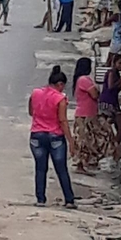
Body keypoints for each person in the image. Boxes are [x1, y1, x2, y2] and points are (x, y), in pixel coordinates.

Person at [28, 65, 76, 207]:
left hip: (36, 135)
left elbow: (31, 112)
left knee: (40, 168)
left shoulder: (35, 93)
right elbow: (62, 120)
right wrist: (71, 141)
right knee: (61, 169)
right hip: (55, 136)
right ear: (60, 84)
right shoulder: (60, 98)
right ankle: (69, 200)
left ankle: (41, 199)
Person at [71, 57, 113, 171]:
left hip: (89, 114)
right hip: (85, 115)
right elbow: (94, 94)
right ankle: (83, 163)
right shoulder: (84, 80)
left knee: (91, 139)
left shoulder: (81, 79)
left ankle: (90, 161)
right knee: (86, 140)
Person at [99, 53, 121, 154]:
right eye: (119, 63)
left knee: (118, 125)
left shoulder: (116, 73)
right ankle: (113, 147)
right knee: (118, 125)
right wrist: (120, 82)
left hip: (113, 102)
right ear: (114, 63)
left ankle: (114, 146)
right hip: (107, 102)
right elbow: (110, 86)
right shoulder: (111, 73)